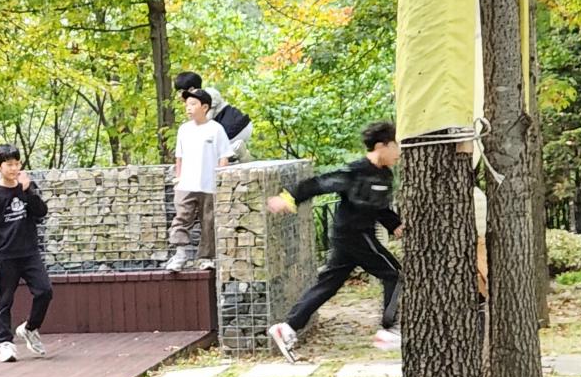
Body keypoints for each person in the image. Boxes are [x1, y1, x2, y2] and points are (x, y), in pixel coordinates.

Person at [265, 121, 405, 361]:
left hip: (349, 238)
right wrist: (289, 198)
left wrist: (395, 225)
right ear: (381, 146)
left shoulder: (384, 175)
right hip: (356, 235)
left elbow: (378, 207)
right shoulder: (357, 172)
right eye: (396, 146)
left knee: (328, 285)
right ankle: (388, 330)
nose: (399, 152)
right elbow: (321, 183)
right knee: (395, 273)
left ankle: (287, 327)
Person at [0, 145, 51, 363]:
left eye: (17, 164)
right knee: (4, 301)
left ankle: (30, 328)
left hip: (30, 253)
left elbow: (41, 212)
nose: (14, 168)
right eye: (9, 164)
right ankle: (5, 343)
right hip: (6, 256)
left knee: (45, 291)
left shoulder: (26, 187)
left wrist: (27, 191)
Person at [165, 89, 232, 272]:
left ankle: (206, 257)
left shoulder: (216, 129)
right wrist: (178, 178)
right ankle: (180, 254)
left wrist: (220, 180)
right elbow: (179, 157)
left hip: (209, 184)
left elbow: (224, 156)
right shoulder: (184, 129)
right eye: (187, 105)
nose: (189, 108)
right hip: (186, 183)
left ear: (205, 107)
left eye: (193, 104)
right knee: (181, 217)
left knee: (208, 221)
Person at [174, 71, 253, 162]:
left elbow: (205, 123)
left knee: (210, 153)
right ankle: (239, 155)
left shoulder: (206, 96)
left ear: (191, 89)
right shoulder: (203, 97)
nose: (178, 96)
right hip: (241, 126)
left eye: (180, 91)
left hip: (234, 129)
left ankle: (234, 149)